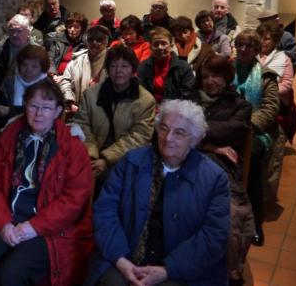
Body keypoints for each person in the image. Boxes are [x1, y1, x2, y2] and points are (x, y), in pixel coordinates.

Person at [84, 100, 230, 286]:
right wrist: (120, 259)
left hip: (180, 270)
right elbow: (105, 211)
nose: (168, 138)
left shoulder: (214, 178)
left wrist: (168, 270)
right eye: (163, 128)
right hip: (123, 257)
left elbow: (214, 236)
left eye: (179, 132)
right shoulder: (131, 162)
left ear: (193, 139)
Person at [0, 79, 93, 286]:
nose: (39, 113)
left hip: (46, 227)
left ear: (58, 111)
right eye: (33, 106)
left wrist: (33, 227)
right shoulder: (10, 136)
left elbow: (74, 200)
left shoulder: (72, 147)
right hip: (6, 218)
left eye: (46, 108)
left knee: (11, 274)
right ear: (25, 106)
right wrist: (3, 224)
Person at [195, 55, 254, 285]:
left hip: (221, 170)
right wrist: (211, 145)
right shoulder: (191, 99)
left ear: (227, 77)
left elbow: (234, 130)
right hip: (187, 162)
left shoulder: (240, 106)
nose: (210, 82)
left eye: (216, 76)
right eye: (205, 77)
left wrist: (192, 127)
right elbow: (170, 132)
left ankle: (232, 271)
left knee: (232, 214)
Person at [72, 45, 156, 181]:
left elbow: (139, 137)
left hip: (125, 157)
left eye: (124, 66)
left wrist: (106, 159)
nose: (118, 71)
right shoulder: (92, 94)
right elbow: (81, 124)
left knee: (108, 179)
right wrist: (91, 154)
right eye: (113, 66)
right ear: (107, 69)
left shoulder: (145, 100)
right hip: (91, 152)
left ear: (133, 70)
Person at [232, 30, 279, 247]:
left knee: (252, 170)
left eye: (248, 46)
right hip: (227, 126)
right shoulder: (225, 68)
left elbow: (270, 109)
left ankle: (255, 223)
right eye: (240, 45)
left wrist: (247, 125)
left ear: (256, 50)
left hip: (254, 132)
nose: (243, 50)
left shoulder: (266, 75)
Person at [256, 21, 296, 211]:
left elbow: (286, 84)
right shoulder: (251, 54)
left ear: (274, 41)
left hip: (275, 114)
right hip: (253, 111)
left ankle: (266, 202)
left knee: (272, 160)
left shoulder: (283, 59)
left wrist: (265, 91)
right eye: (261, 37)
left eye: (267, 38)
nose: (263, 42)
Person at [0, 45, 49, 145]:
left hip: (39, 137)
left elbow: (43, 115)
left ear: (42, 68)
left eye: (34, 66)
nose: (28, 70)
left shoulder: (48, 87)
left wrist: (11, 111)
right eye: (25, 65)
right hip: (7, 133)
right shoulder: (9, 82)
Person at [0, 14, 38, 99]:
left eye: (19, 31)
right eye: (12, 31)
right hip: (2, 95)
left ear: (28, 32)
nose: (15, 34)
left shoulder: (37, 51)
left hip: (28, 96)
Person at [60, 25, 111, 113]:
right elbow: (65, 81)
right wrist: (70, 101)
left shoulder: (113, 62)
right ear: (86, 41)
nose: (94, 42)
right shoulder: (77, 60)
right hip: (77, 110)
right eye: (91, 39)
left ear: (106, 42)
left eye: (99, 40)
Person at [138, 28, 195, 104]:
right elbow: (141, 94)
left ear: (171, 45)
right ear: (151, 47)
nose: (160, 47)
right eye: (156, 44)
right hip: (150, 110)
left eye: (164, 44)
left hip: (176, 110)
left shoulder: (184, 67)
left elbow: (187, 95)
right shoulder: (142, 67)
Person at [49, 12, 88, 78]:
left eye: (76, 27)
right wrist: (53, 74)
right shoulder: (58, 39)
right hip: (55, 76)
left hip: (72, 78)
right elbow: (50, 59)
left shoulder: (85, 44)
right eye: (70, 26)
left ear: (82, 29)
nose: (72, 30)